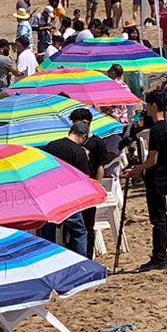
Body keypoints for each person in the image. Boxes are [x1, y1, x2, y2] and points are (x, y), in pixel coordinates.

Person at [41, 109, 103, 256]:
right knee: (79, 231)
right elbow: (84, 177)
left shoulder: (51, 146)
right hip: (69, 197)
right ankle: (81, 261)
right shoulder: (79, 152)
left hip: (50, 195)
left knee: (48, 229)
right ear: (82, 137)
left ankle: (48, 259)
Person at [128, 92, 167, 271]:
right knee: (159, 217)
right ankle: (159, 254)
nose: (146, 108)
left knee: (158, 218)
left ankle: (160, 256)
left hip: (156, 176)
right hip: (163, 175)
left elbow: (152, 159)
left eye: (148, 105)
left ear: (154, 105)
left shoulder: (157, 129)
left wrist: (137, 170)